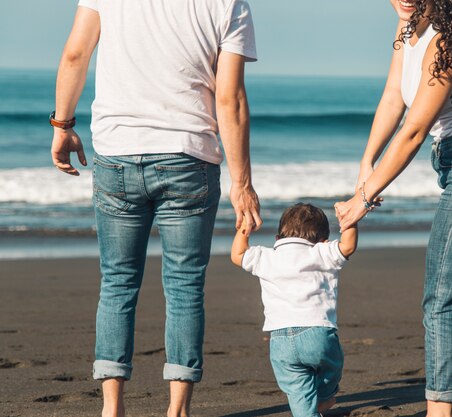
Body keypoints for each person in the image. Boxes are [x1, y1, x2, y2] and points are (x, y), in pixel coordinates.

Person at [50, 1, 261, 416]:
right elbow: (230, 97)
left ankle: (112, 408)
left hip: (117, 155)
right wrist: (242, 183)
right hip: (189, 156)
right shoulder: (230, 3)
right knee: (183, 288)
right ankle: (177, 410)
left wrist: (63, 125)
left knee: (117, 283)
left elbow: (75, 53)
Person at [334, 1, 452, 416]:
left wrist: (363, 200)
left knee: (440, 300)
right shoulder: (406, 31)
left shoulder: (447, 41)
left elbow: (415, 130)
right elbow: (391, 99)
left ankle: (441, 411)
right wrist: (367, 163)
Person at [231, 203, 358, 417]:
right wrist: (349, 219)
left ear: (278, 237)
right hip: (318, 334)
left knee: (297, 390)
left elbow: (237, 255)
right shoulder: (321, 252)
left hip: (280, 340)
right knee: (331, 370)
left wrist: (245, 226)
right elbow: (347, 246)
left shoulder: (267, 256)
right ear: (322, 239)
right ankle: (324, 397)